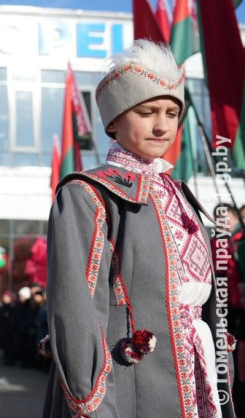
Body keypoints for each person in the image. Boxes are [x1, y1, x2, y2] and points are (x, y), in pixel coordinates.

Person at [44, 40, 235, 417]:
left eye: (171, 112)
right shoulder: (88, 192)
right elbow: (76, 306)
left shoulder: (181, 193)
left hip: (198, 369)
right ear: (114, 120)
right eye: (147, 112)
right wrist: (92, 400)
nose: (163, 125)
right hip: (128, 383)